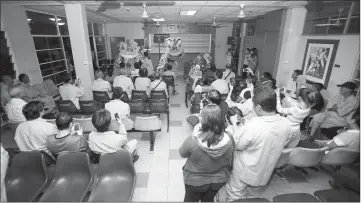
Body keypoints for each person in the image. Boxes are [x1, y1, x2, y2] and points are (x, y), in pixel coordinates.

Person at [220, 86, 291, 201]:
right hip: (265, 172)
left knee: (235, 196)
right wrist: (246, 124)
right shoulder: (286, 123)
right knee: (253, 197)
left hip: (245, 171)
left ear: (258, 107)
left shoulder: (253, 126)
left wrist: (234, 125)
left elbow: (238, 145)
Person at [179, 104, 234, 202]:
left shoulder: (194, 140)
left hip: (194, 181)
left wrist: (196, 131)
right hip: (218, 180)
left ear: (203, 119)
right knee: (208, 199)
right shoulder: (229, 139)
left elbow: (182, 153)